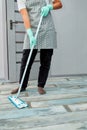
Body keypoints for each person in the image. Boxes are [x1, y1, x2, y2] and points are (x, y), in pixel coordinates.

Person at [11, 0, 62, 95]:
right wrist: (30, 34)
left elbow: (59, 4)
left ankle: (41, 86)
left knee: (46, 60)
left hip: (47, 28)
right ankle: (22, 86)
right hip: (32, 27)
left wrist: (49, 7)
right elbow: (25, 15)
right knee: (26, 60)